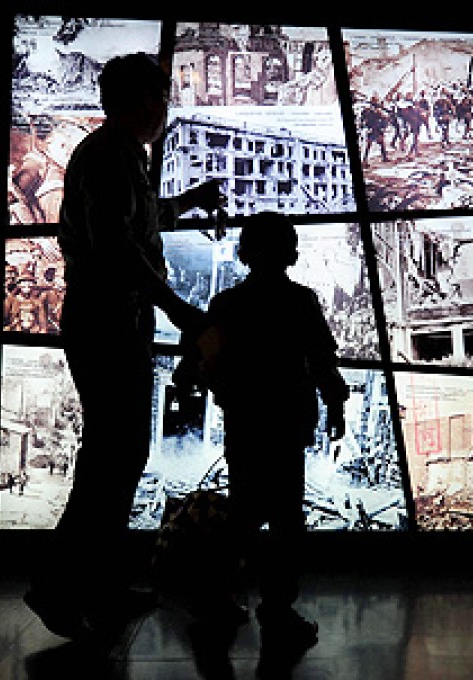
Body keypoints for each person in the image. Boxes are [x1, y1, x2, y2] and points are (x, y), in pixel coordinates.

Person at [23, 52, 225, 643]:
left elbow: (138, 222)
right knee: (111, 459)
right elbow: (118, 247)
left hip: (114, 322)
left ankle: (100, 585)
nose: (165, 108)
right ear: (142, 101)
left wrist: (187, 202)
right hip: (107, 323)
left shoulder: (119, 154)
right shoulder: (109, 155)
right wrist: (179, 309)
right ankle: (58, 586)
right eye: (161, 96)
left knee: (119, 456)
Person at [197, 211, 348, 671]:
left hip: (245, 424)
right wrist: (335, 407)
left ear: (245, 252)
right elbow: (322, 360)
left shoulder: (226, 304)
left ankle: (215, 599)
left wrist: (229, 394)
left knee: (242, 514)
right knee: (286, 520)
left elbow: (209, 365)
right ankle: (277, 610)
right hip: (287, 425)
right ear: (289, 253)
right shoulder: (300, 301)